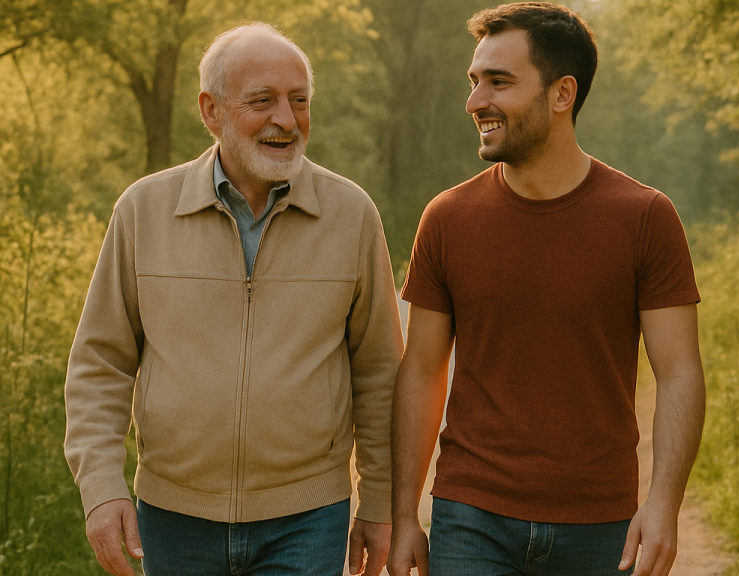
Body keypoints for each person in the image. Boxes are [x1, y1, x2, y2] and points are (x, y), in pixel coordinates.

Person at [64, 22, 403, 576]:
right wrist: (101, 488)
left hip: (308, 517)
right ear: (211, 110)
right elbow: (100, 364)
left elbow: (380, 374)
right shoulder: (143, 211)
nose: (286, 121)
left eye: (299, 101)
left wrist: (380, 502)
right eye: (262, 101)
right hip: (172, 517)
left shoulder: (352, 215)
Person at [387, 3, 706, 576]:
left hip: (600, 522)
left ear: (562, 94)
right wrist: (405, 513)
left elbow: (680, 371)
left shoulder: (645, 217)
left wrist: (664, 504)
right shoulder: (446, 218)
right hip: (471, 516)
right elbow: (422, 369)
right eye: (474, 81)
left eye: (499, 82)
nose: (475, 101)